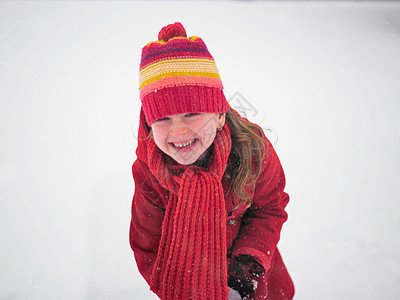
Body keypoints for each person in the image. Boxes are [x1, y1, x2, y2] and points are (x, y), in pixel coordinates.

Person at [129, 22, 295, 300]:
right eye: (163, 119)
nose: (178, 131)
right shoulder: (150, 170)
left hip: (255, 286)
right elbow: (148, 245)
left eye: (192, 114)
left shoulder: (251, 150)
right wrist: (184, 289)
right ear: (149, 122)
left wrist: (245, 270)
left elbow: (270, 208)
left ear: (219, 115)